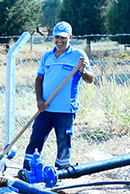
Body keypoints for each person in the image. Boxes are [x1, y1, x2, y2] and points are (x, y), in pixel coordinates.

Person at [23, 21, 95, 170]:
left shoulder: (78, 56)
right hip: (45, 108)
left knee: (63, 142)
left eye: (63, 37)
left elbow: (90, 79)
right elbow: (39, 79)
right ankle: (28, 171)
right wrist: (39, 100)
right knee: (35, 140)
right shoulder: (47, 56)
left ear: (70, 37)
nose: (59, 40)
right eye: (57, 37)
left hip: (65, 111)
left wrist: (82, 70)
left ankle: (61, 173)